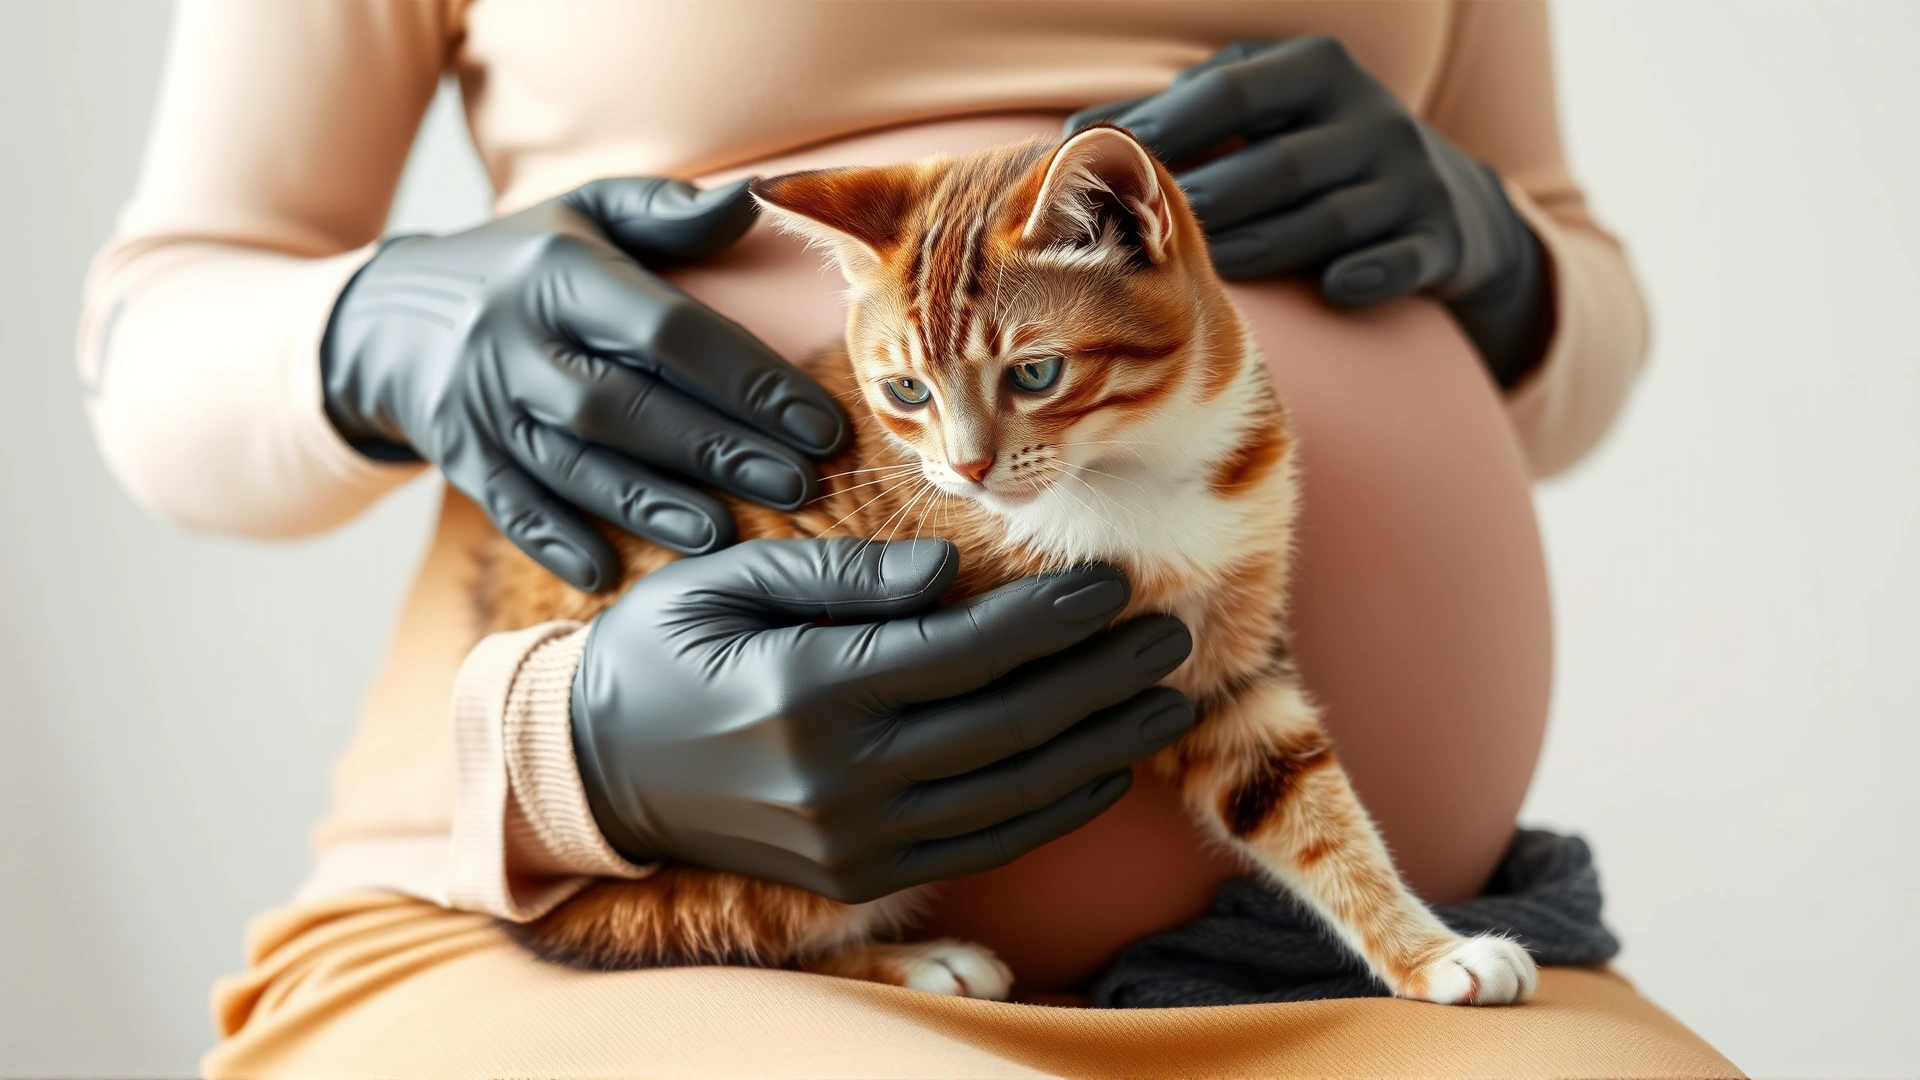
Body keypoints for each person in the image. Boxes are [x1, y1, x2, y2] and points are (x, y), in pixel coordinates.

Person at [79, 2, 1736, 1075]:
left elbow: (1576, 320)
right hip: (599, 899)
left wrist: (1497, 255)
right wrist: (377, 324)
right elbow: (161, 329)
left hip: (1343, 955)